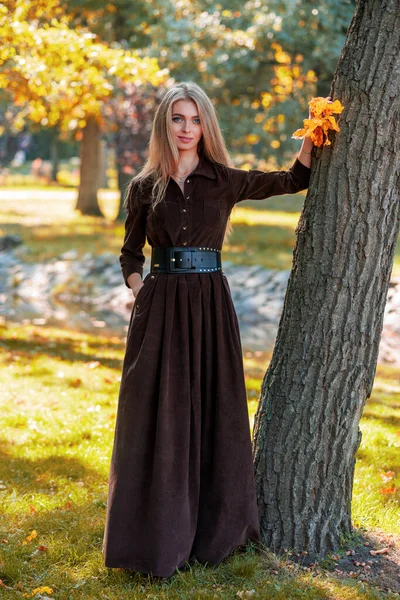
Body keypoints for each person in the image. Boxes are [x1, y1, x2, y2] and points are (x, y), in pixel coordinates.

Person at [103, 81, 316, 579]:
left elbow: (290, 181)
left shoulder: (224, 179)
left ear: (205, 126)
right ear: (165, 124)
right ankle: (155, 534)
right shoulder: (144, 187)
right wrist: (139, 292)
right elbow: (130, 253)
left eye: (194, 119)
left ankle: (216, 533)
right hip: (158, 310)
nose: (186, 128)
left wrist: (311, 137)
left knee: (213, 408)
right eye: (177, 118)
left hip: (209, 306)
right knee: (158, 415)